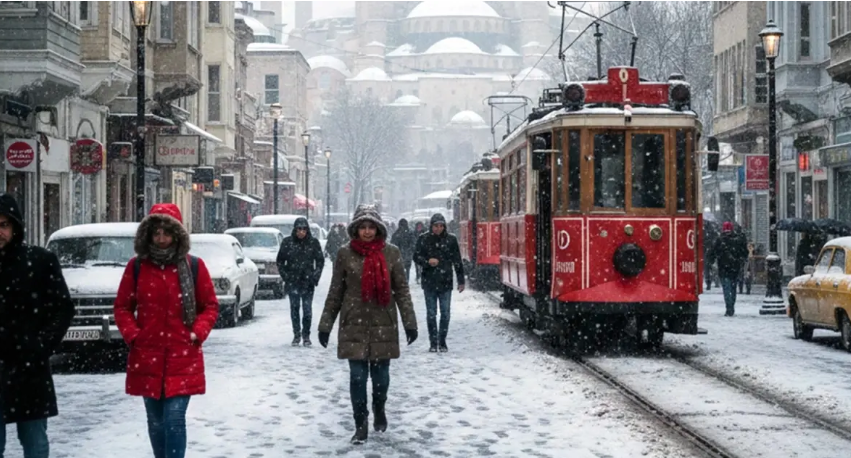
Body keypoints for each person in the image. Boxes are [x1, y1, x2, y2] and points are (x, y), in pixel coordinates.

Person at [113, 203, 219, 458]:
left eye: (166, 233)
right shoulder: (137, 267)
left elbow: (210, 306)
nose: (161, 239)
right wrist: (134, 335)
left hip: (183, 356)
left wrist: (197, 332)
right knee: (156, 422)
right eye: (156, 233)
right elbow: (122, 307)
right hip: (147, 357)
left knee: (173, 419)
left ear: (177, 235)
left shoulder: (194, 266)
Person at [317, 205, 417, 444]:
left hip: (384, 322)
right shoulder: (344, 254)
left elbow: (402, 290)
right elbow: (335, 291)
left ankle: (379, 407)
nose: (367, 232)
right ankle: (360, 423)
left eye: (371, 227)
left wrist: (409, 323)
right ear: (355, 229)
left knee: (381, 379)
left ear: (379, 228)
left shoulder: (391, 253)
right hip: (354, 323)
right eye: (362, 227)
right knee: (357, 378)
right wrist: (325, 325)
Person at [0, 194, 75, 458]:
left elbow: (63, 309)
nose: (0, 232)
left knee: (34, 442)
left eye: (4, 225)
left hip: (28, 368)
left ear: (15, 227)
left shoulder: (40, 261)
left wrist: (40, 345)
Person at [414, 213, 465, 352]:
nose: (438, 228)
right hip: (429, 281)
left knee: (445, 313)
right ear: (431, 226)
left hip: (445, 282)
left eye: (441, 226)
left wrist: (461, 281)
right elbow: (416, 256)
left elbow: (457, 261)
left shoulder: (451, 240)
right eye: (436, 225)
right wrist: (427, 262)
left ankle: (442, 341)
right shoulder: (423, 239)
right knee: (431, 314)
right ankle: (433, 342)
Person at [277, 217, 325, 347]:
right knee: (295, 309)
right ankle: (296, 335)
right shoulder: (287, 243)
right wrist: (286, 276)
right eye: (299, 229)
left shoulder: (313, 243)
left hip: (308, 283)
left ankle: (306, 335)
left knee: (307, 310)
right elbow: (280, 261)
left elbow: (320, 261)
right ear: (295, 229)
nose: (301, 232)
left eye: (304, 229)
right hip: (293, 281)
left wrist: (315, 276)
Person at [710, 221, 749, 316]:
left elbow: (712, 253)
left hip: (723, 268)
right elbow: (745, 253)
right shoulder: (737, 239)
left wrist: (711, 261)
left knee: (726, 289)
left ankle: (729, 307)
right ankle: (731, 306)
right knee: (733, 288)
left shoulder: (719, 240)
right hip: (735, 268)